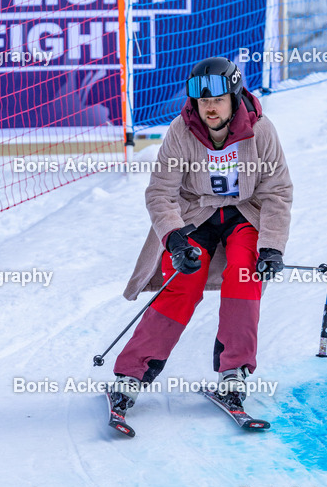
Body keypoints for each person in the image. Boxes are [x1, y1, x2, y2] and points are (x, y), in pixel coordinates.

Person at [109, 56, 293, 419]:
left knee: (245, 273)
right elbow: (160, 193)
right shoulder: (181, 130)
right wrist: (174, 240)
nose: (210, 108)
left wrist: (272, 246)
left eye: (218, 100)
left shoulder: (260, 130)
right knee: (182, 283)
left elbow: (277, 192)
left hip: (244, 212)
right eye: (203, 100)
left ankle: (233, 371)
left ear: (234, 98)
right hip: (195, 215)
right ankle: (131, 374)